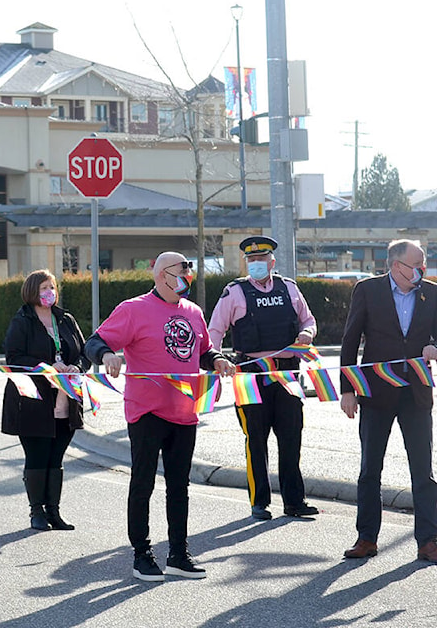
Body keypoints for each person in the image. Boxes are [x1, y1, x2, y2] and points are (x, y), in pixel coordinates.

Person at [84, 252, 234, 583]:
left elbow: (205, 350)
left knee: (180, 486)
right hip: (147, 411)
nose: (187, 277)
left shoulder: (193, 312)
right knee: (143, 482)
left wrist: (218, 360)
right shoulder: (133, 309)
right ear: (162, 274)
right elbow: (94, 342)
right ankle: (142, 554)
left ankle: (178, 554)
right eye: (182, 271)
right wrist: (107, 354)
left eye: (189, 271)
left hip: (184, 411)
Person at [208, 236, 319, 521]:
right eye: (251, 260)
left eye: (262, 259)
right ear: (247, 263)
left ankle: (294, 501)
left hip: (287, 373)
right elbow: (214, 331)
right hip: (250, 375)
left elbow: (308, 320)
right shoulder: (234, 292)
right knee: (255, 439)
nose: (256, 264)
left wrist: (307, 334)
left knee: (291, 437)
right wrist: (216, 359)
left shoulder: (290, 288)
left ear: (272, 261)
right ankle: (260, 503)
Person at [339, 239, 437, 562]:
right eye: (417, 265)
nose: (422, 271)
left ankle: (428, 541)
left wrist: (434, 348)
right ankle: (366, 538)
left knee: (423, 471)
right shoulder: (367, 291)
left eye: (424, 265)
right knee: (370, 469)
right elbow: (350, 341)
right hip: (376, 394)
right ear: (396, 266)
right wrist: (348, 389)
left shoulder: (432, 294)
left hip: (416, 394)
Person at [1, 269, 88, 531]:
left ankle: (54, 511)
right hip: (33, 401)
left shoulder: (66, 320)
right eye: (42, 289)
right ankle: (36, 512)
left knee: (56, 458)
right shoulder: (23, 320)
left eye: (51, 287)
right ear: (32, 292)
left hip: (66, 398)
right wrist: (46, 367)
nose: (48, 292)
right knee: (38, 456)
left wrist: (77, 367)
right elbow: (14, 358)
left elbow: (84, 353)